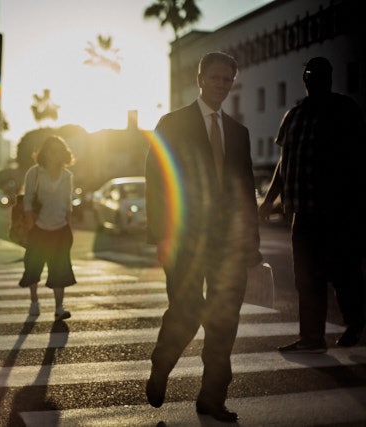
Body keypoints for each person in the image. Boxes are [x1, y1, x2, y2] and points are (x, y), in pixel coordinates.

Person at [145, 52, 262, 422]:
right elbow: (156, 181)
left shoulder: (239, 133)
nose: (222, 86)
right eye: (216, 78)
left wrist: (252, 245)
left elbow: (245, 190)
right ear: (200, 80)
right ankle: (162, 364)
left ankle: (212, 398)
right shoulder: (172, 123)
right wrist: (163, 236)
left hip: (228, 243)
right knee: (187, 309)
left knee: (224, 321)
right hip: (185, 239)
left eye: (228, 80)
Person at [259, 57, 365, 352]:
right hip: (301, 213)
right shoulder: (293, 115)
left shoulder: (345, 110)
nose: (314, 79)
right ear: (303, 78)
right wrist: (269, 200)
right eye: (309, 74)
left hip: (338, 212)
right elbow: (284, 163)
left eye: (320, 74)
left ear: (330, 78)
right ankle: (312, 337)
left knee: (344, 273)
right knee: (306, 277)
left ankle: (355, 321)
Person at [19, 135, 77, 321]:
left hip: (60, 228)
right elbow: (27, 200)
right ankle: (34, 302)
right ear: (44, 153)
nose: (55, 155)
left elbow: (68, 203)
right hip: (38, 228)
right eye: (51, 151)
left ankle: (59, 308)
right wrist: (30, 225)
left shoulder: (67, 176)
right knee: (33, 267)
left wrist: (69, 225)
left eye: (58, 151)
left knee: (60, 269)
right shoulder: (34, 173)